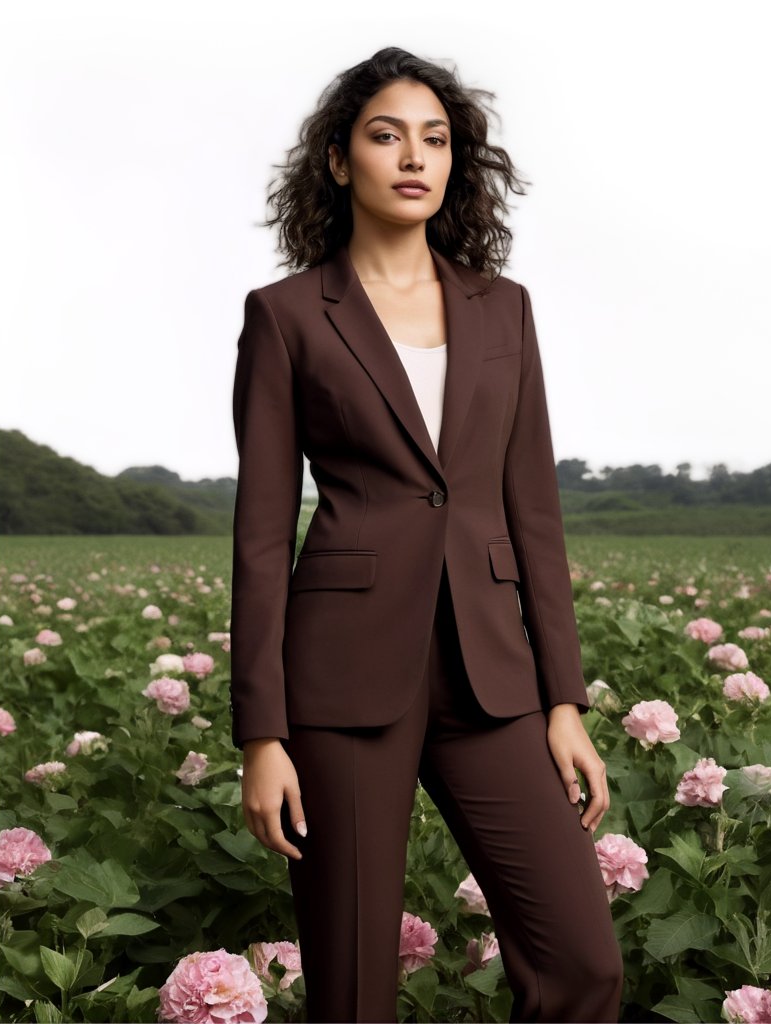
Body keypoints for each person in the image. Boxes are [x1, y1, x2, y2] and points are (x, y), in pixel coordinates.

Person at [229, 46, 623, 1023]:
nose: (414, 156)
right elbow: (262, 535)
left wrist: (562, 699)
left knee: (583, 962)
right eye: (385, 134)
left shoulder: (504, 311)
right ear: (336, 160)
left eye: (436, 138)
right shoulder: (286, 318)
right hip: (343, 680)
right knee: (354, 988)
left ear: (456, 164)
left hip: (490, 677)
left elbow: (534, 512)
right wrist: (262, 733)